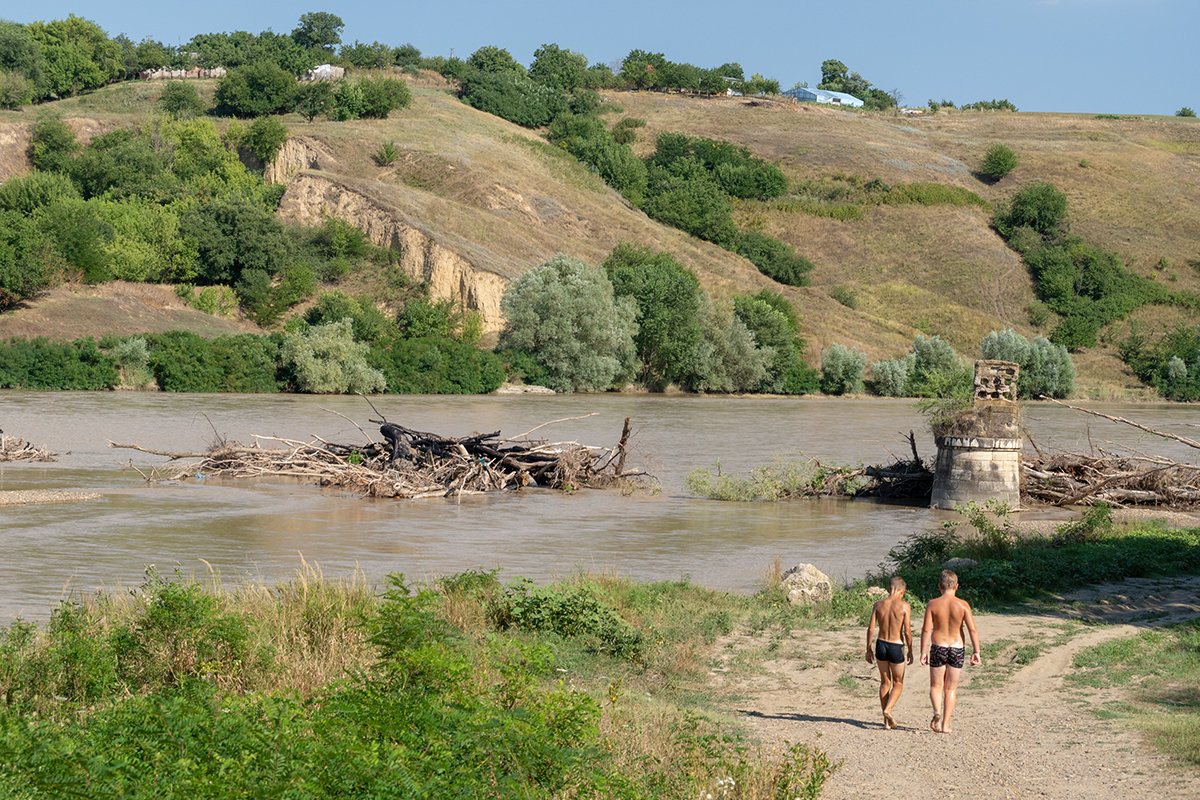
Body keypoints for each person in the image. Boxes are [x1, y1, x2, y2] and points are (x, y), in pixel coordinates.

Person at [920, 569, 981, 734]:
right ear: (957, 586)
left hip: (938, 647)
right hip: (956, 648)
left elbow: (926, 630)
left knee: (936, 685)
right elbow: (972, 630)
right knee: (950, 689)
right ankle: (946, 725)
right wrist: (976, 651)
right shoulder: (963, 605)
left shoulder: (932, 604)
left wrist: (923, 652)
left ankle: (936, 712)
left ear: (939, 586)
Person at [865, 575, 913, 729]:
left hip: (881, 645)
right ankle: (888, 709)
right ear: (903, 591)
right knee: (898, 682)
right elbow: (907, 632)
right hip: (895, 646)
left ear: (888, 589)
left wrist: (868, 649)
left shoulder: (878, 604)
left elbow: (871, 628)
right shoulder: (905, 606)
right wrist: (910, 650)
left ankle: (886, 723)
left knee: (885, 682)